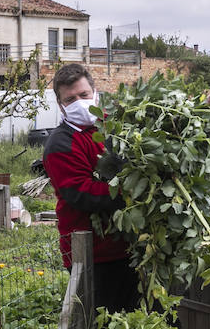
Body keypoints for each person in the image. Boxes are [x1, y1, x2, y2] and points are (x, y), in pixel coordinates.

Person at [41, 63, 138, 313]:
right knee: (99, 324)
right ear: (61, 105)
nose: (79, 102)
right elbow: (81, 193)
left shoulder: (116, 129)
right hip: (91, 255)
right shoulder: (60, 144)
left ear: (95, 93)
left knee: (136, 317)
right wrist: (132, 193)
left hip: (130, 247)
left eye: (83, 95)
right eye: (70, 99)